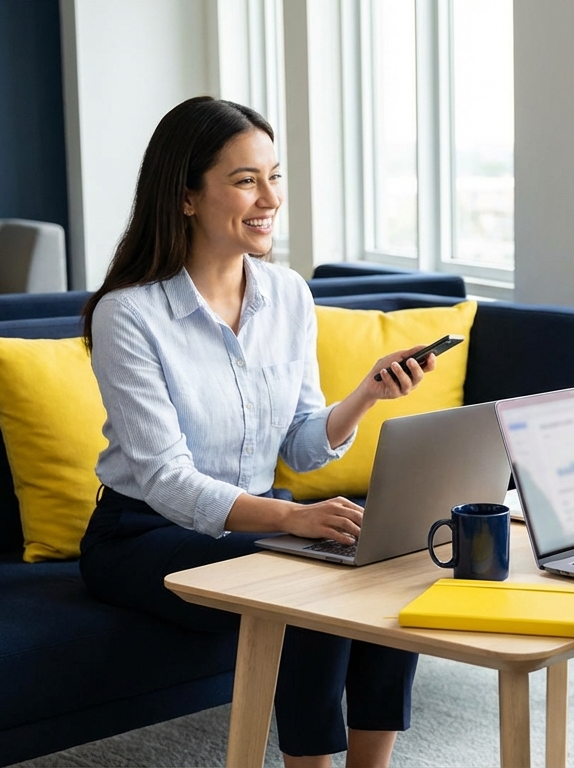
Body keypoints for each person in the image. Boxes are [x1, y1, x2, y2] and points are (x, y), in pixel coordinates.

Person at [78, 96, 436, 768]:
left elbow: (301, 442)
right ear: (185, 197)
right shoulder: (128, 316)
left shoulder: (288, 295)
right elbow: (163, 478)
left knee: (386, 559)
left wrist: (365, 395)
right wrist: (293, 521)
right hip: (142, 534)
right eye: (245, 180)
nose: (268, 197)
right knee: (313, 581)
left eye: (274, 176)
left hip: (254, 521)